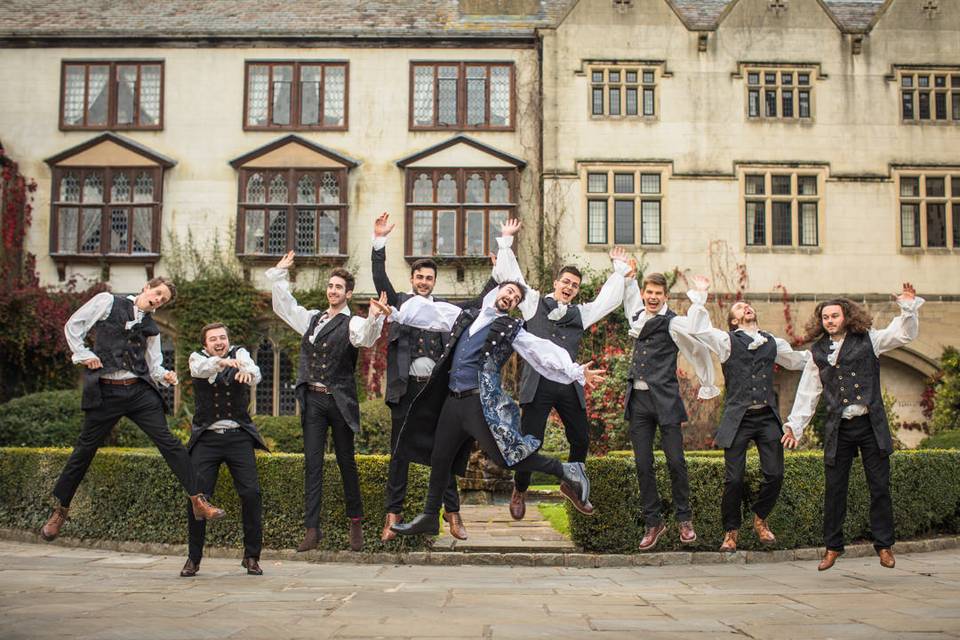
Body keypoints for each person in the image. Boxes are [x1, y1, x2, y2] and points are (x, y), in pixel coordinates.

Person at [369, 235, 604, 537]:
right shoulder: (466, 315)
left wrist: (574, 371)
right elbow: (429, 313)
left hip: (479, 402)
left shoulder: (511, 328)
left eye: (516, 299)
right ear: (496, 292)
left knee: (504, 457)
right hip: (452, 401)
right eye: (508, 291)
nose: (511, 298)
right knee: (440, 458)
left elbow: (540, 349)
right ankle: (430, 515)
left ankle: (566, 471)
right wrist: (396, 313)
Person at [40, 277, 225, 542]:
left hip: (138, 391)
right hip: (106, 391)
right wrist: (83, 354)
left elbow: (153, 365)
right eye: (158, 293)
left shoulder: (152, 327)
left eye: (164, 300)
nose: (159, 300)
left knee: (169, 442)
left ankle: (198, 500)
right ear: (147, 288)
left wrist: (165, 376)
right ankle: (60, 509)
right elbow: (74, 325)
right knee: (85, 449)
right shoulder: (108, 302)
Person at [491, 220, 628, 520]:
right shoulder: (534, 303)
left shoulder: (581, 313)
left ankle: (570, 483)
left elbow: (607, 301)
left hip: (568, 384)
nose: (569, 287)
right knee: (531, 441)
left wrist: (618, 272)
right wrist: (505, 242)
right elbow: (514, 278)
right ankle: (520, 489)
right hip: (537, 383)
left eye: (574, 285)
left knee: (581, 438)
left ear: (577, 291)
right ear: (556, 282)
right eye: (565, 282)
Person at [371, 212, 496, 542]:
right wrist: (379, 242)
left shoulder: (444, 311)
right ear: (412, 278)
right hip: (406, 390)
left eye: (429, 278)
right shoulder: (400, 303)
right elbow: (380, 281)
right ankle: (392, 516)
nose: (424, 281)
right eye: (420, 277)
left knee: (443, 453)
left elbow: (478, 304)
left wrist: (497, 275)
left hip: (436, 394)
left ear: (433, 281)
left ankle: (452, 513)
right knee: (399, 456)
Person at [783, 283, 923, 571]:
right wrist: (794, 427)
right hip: (839, 429)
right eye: (825, 317)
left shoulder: (869, 340)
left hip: (870, 425)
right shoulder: (817, 353)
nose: (830, 321)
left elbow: (903, 334)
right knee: (835, 490)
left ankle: (884, 546)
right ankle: (833, 547)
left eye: (834, 316)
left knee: (879, 487)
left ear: (846, 316)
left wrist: (907, 307)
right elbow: (808, 392)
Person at [266, 253, 388, 552]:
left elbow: (366, 338)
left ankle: (355, 521)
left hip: (340, 401)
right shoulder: (312, 319)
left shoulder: (353, 323)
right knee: (313, 464)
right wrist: (279, 275)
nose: (332, 291)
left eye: (338, 287)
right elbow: (285, 307)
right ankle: (312, 529)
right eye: (330, 286)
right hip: (313, 400)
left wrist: (375, 317)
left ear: (348, 294)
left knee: (346, 462)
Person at [685, 277, 810, 552]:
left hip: (766, 416)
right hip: (738, 417)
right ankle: (731, 531)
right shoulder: (726, 341)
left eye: (747, 306)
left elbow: (799, 361)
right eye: (740, 308)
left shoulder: (772, 342)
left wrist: (822, 357)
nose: (746, 308)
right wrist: (699, 297)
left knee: (775, 474)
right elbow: (699, 329)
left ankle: (760, 519)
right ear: (733, 321)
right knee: (734, 479)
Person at [622, 270, 719, 551]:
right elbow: (627, 298)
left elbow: (697, 341)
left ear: (665, 296)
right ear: (644, 293)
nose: (652, 297)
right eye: (648, 292)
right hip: (638, 401)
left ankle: (684, 519)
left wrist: (699, 299)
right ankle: (653, 523)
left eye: (658, 294)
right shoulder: (638, 318)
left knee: (676, 461)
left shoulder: (674, 322)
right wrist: (625, 278)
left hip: (664, 400)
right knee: (643, 464)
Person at [180, 323, 269, 578]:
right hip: (206, 439)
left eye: (222, 337)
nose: (219, 342)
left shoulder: (239, 354)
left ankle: (251, 556)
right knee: (198, 499)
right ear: (205, 344)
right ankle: (193, 559)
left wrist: (247, 373)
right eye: (213, 339)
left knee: (251, 494)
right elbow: (200, 369)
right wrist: (222, 363)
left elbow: (255, 371)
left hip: (238, 437)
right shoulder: (198, 358)